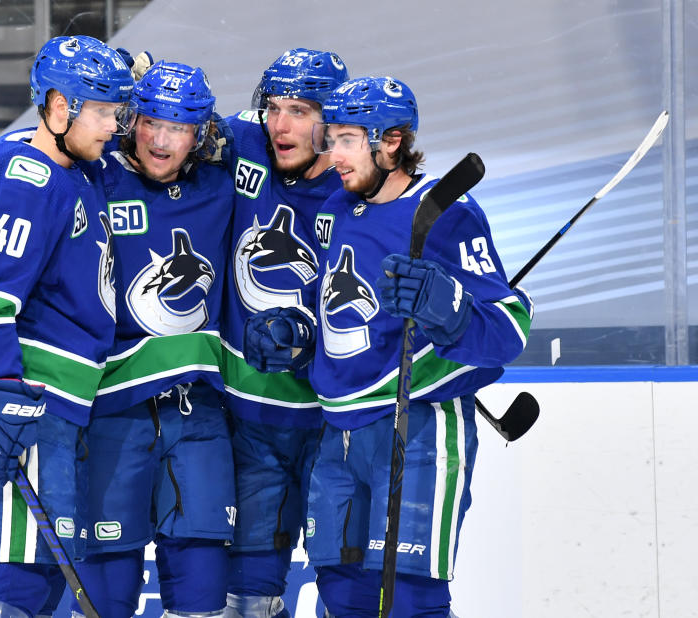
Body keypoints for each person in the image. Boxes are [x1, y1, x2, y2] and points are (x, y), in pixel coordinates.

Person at [246, 75, 534, 616]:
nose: (333, 154)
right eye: (330, 139)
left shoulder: (446, 213)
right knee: (343, 596)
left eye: (348, 140)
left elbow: (511, 327)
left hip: (418, 430)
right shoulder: (335, 208)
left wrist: (448, 306)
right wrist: (296, 333)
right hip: (338, 432)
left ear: (392, 141)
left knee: (408, 600)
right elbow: (329, 310)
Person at [0, 35, 135, 618]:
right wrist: (2, 389)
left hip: (60, 399)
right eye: (100, 112)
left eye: (115, 112)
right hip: (30, 397)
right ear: (58, 106)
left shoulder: (76, 169)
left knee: (45, 575)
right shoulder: (35, 179)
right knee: (17, 580)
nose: (112, 127)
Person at [67, 60, 235, 618]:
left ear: (201, 133)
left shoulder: (222, 184)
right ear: (131, 118)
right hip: (113, 409)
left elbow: (281, 136)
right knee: (106, 600)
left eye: (181, 127)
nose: (162, 141)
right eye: (152, 122)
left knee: (203, 597)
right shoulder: (92, 175)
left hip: (199, 413)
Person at [219, 48, 349, 618]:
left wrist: (313, 339)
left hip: (334, 425)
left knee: (349, 588)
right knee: (246, 595)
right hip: (251, 418)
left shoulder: (360, 185)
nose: (280, 125)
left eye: (298, 110)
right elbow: (166, 130)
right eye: (272, 107)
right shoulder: (245, 141)